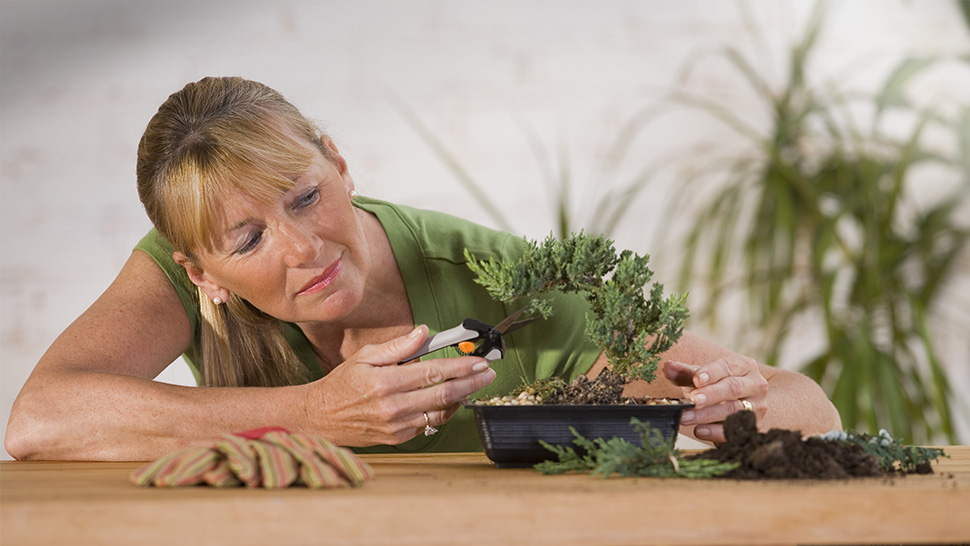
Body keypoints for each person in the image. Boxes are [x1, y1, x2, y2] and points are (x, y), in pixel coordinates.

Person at [4, 77, 841, 461]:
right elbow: (38, 422)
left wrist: (730, 398)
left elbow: (807, 405)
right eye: (248, 240)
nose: (301, 248)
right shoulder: (174, 268)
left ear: (339, 162)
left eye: (303, 196)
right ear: (203, 271)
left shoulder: (502, 280)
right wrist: (310, 413)